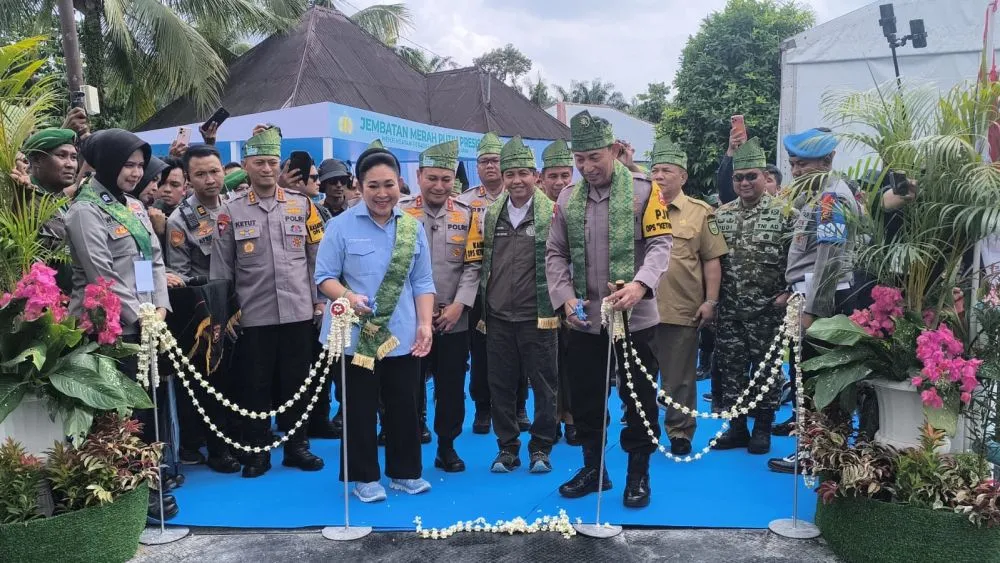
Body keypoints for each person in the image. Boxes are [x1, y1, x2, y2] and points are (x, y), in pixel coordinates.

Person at [546, 111, 672, 508]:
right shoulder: (567, 198)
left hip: (635, 318)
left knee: (639, 399)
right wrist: (564, 297)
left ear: (615, 151)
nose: (586, 167)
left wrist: (640, 284)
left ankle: (638, 473)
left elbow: (660, 246)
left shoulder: (645, 191)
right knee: (585, 396)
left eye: (594, 157)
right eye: (579, 159)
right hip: (585, 320)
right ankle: (593, 468)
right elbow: (555, 252)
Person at [315, 145, 435, 503]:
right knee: (359, 407)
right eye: (373, 186)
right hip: (355, 335)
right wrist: (348, 297)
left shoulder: (413, 228)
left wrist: (425, 324)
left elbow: (423, 282)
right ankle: (364, 476)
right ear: (359, 186)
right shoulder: (339, 227)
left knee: (405, 404)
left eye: (388, 185)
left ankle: (406, 472)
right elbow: (324, 278)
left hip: (401, 333)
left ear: (399, 184)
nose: (382, 194)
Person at [63, 128, 173, 519]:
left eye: (140, 166)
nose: (135, 173)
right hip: (110, 329)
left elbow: (155, 261)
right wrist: (140, 317)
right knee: (122, 417)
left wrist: (159, 309)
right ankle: (134, 495)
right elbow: (100, 276)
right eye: (128, 165)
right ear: (108, 164)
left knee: (150, 410)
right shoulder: (85, 211)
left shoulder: (134, 207)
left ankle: (155, 477)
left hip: (147, 323)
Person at [209, 126, 326, 478]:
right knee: (254, 385)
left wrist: (319, 303)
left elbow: (315, 259)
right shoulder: (228, 212)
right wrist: (226, 314)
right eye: (259, 162)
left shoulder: (302, 205)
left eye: (272, 162)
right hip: (254, 314)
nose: (266, 169)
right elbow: (221, 271)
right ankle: (258, 450)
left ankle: (297, 446)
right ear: (245, 165)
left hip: (298, 311)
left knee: (297, 381)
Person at [769, 127, 864, 473]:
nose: (796, 171)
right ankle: (817, 448)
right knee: (806, 375)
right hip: (807, 293)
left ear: (828, 161)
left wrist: (812, 311)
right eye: (793, 164)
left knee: (817, 378)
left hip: (825, 301)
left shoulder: (830, 199)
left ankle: (816, 451)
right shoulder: (814, 194)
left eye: (804, 165)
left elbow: (829, 258)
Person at [399, 139, 482, 473]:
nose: (439, 186)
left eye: (445, 179)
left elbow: (474, 266)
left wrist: (459, 306)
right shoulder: (400, 212)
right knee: (408, 384)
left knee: (450, 387)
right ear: (419, 176)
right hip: (408, 319)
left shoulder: (467, 214)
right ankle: (409, 438)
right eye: (432, 178)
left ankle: (447, 446)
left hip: (452, 319)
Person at [479, 137, 560, 473]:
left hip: (537, 315)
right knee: (500, 385)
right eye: (510, 173)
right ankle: (507, 447)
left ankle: (540, 447)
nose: (516, 180)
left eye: (523, 173)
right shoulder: (490, 214)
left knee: (544, 385)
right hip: (498, 316)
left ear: (535, 176)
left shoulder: (553, 213)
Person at [708, 138, 794, 456]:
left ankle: (762, 427)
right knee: (732, 369)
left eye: (751, 176)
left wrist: (788, 294)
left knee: (766, 370)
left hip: (768, 309)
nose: (744, 183)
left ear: (765, 176)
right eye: (739, 178)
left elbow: (796, 261)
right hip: (730, 308)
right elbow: (712, 262)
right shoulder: (721, 215)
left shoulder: (787, 214)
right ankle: (737, 427)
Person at [646, 137, 728, 456]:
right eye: (654, 170)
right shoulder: (638, 210)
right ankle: (644, 426)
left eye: (666, 170)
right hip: (641, 309)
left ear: (683, 176)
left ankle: (680, 432)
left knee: (679, 378)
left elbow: (712, 260)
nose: (659, 176)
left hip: (681, 308)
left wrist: (710, 301)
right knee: (638, 375)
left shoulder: (699, 213)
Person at [457, 132, 529, 435]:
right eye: (484, 161)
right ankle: (483, 408)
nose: (490, 167)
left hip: (518, 287)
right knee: (483, 351)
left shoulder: (520, 199)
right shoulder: (464, 202)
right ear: (477, 166)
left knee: (521, 351)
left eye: (495, 161)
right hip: (479, 290)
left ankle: (520, 405)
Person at [539, 138, 579, 445]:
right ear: (541, 178)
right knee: (544, 366)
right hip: (539, 299)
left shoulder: (580, 205)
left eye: (565, 175)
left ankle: (574, 418)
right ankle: (548, 419)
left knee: (573, 362)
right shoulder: (531, 209)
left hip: (575, 296)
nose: (559, 182)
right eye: (553, 176)